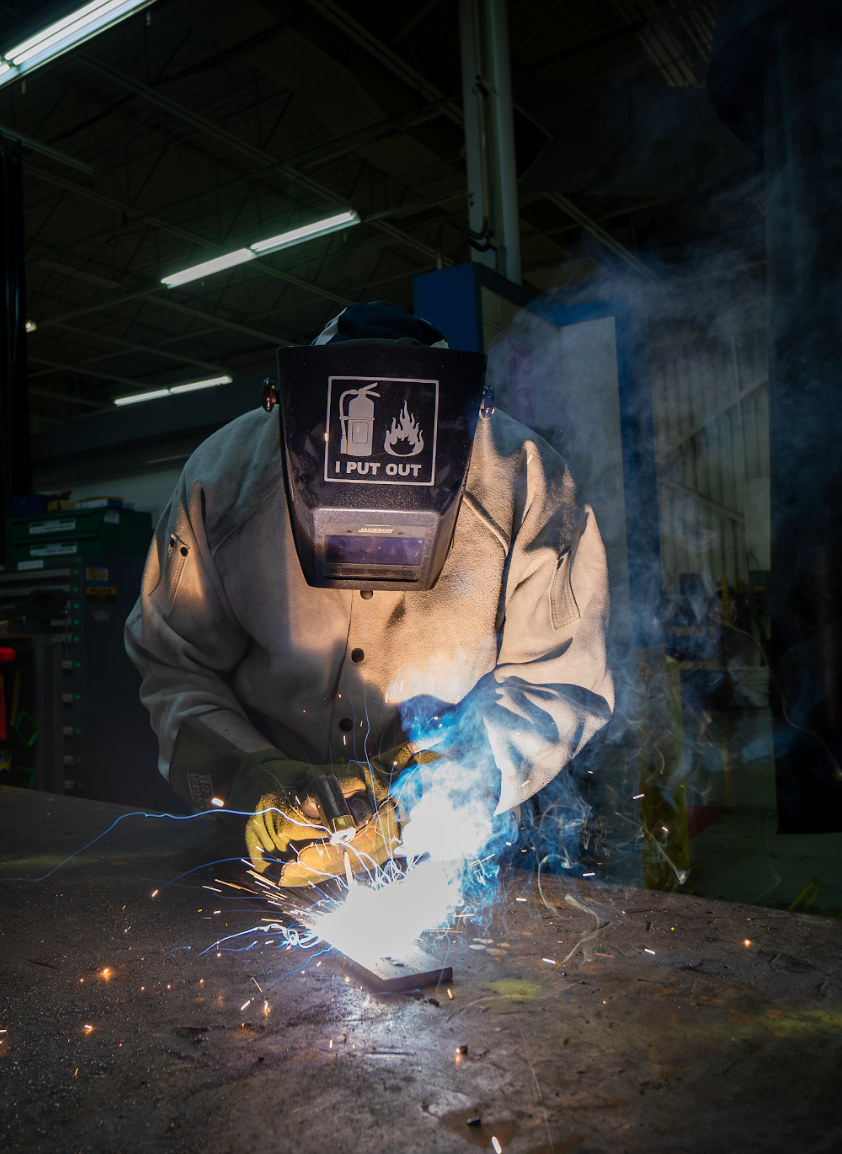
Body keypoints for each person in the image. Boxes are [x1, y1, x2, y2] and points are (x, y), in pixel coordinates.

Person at [123, 302, 612, 885]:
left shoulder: (528, 483)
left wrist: (427, 789)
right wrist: (254, 774)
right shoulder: (225, 478)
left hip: (451, 849)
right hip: (267, 851)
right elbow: (175, 667)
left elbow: (562, 679)